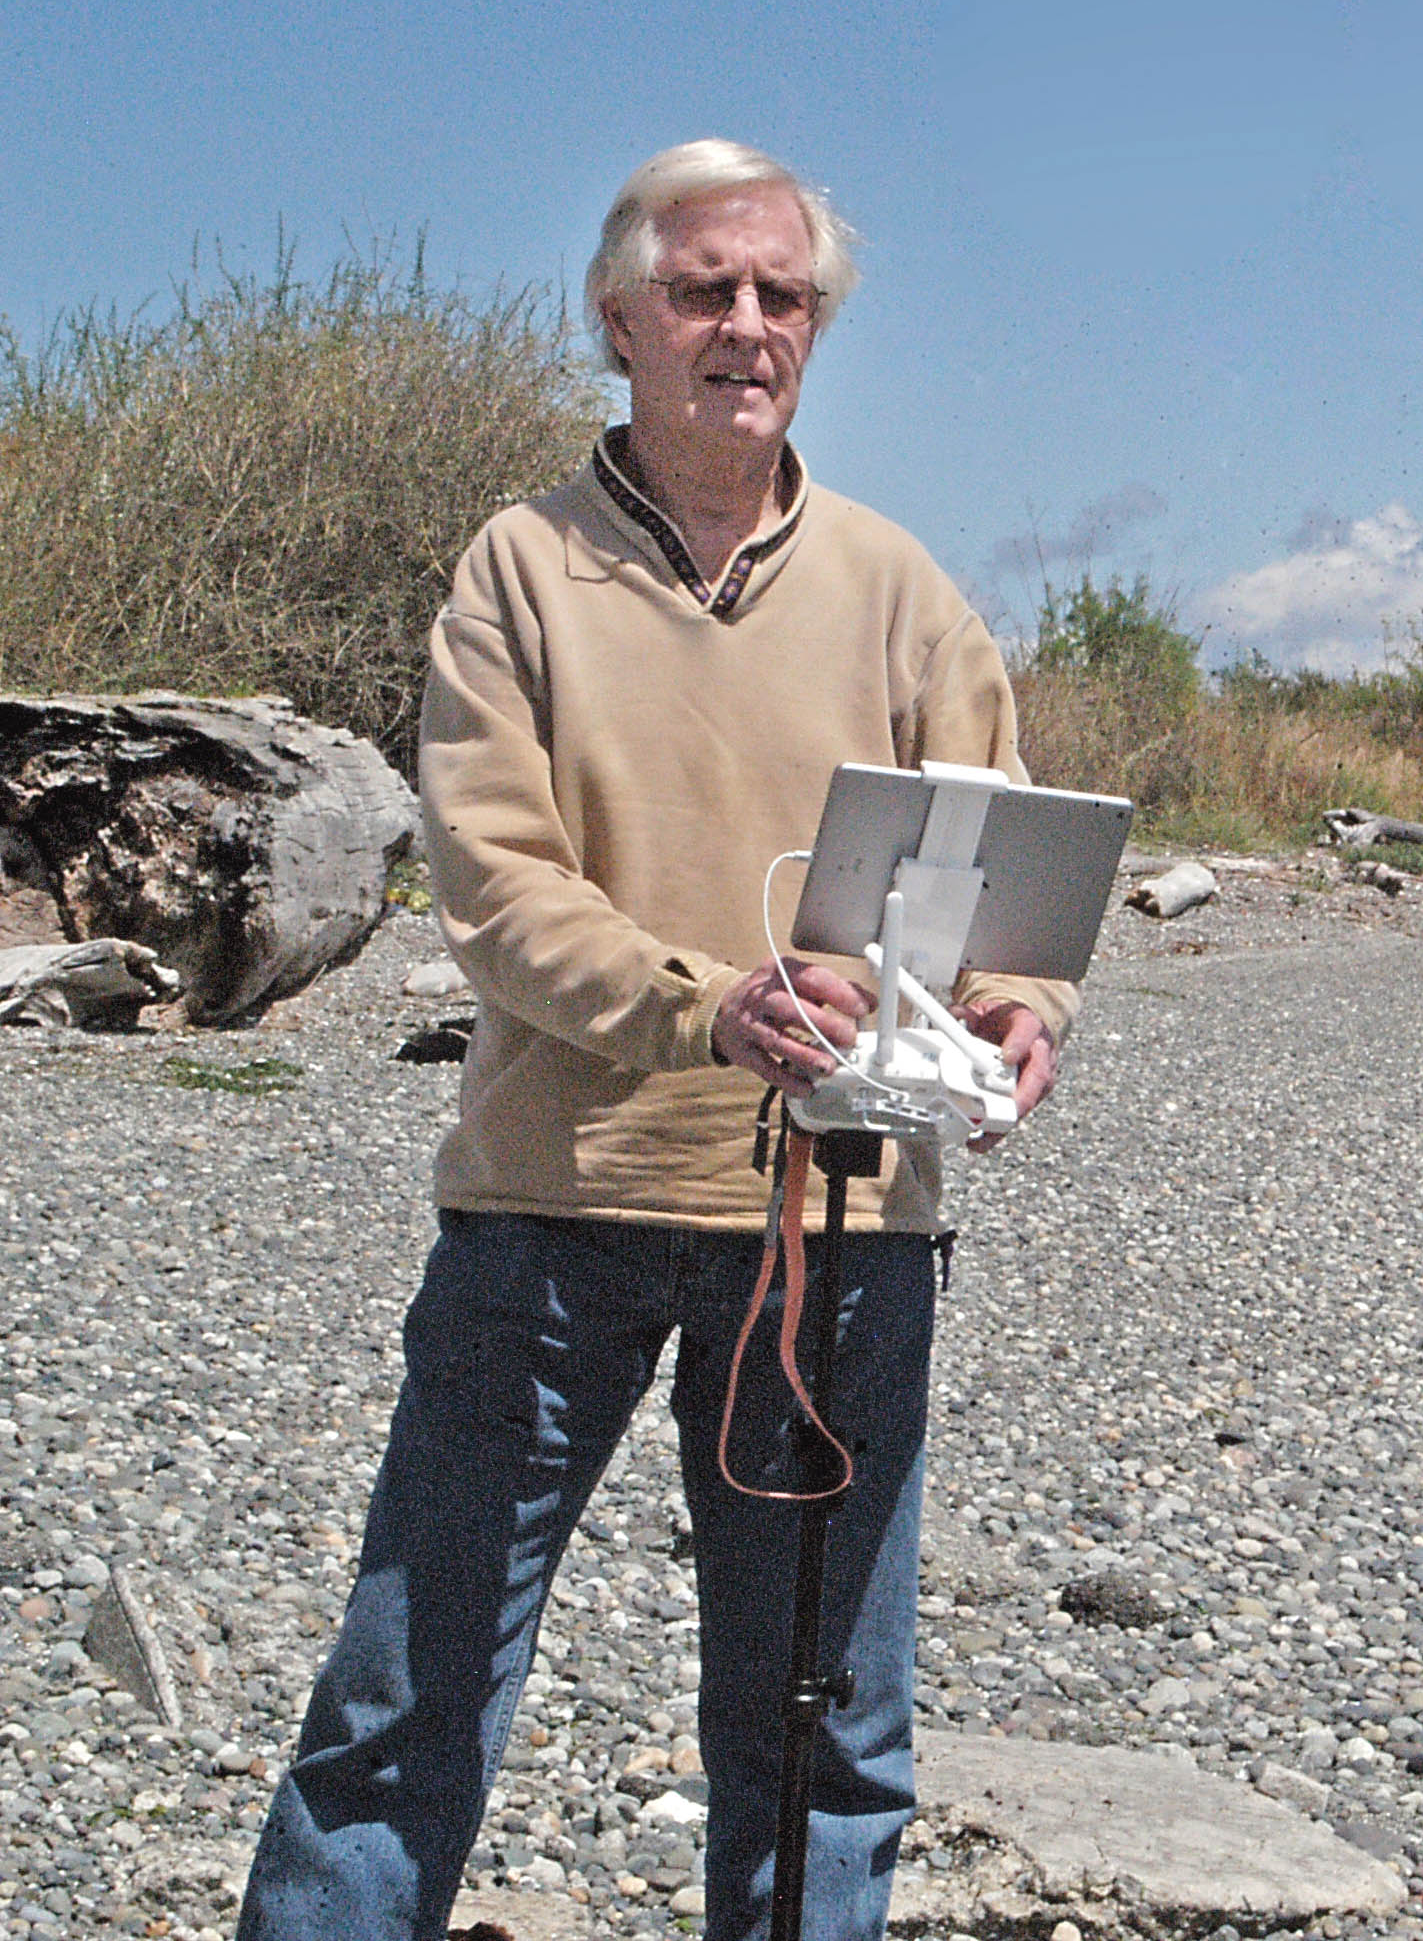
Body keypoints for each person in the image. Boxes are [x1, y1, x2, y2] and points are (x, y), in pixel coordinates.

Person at [234, 139, 1075, 1941]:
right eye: (705, 290)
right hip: (553, 1211)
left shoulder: (901, 588)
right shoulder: (517, 571)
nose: (747, 326)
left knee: (823, 1735)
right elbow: (494, 885)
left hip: (845, 1231)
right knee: (408, 1703)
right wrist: (712, 1006)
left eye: (784, 295)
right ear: (619, 319)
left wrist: (1025, 1005)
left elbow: (1001, 862)